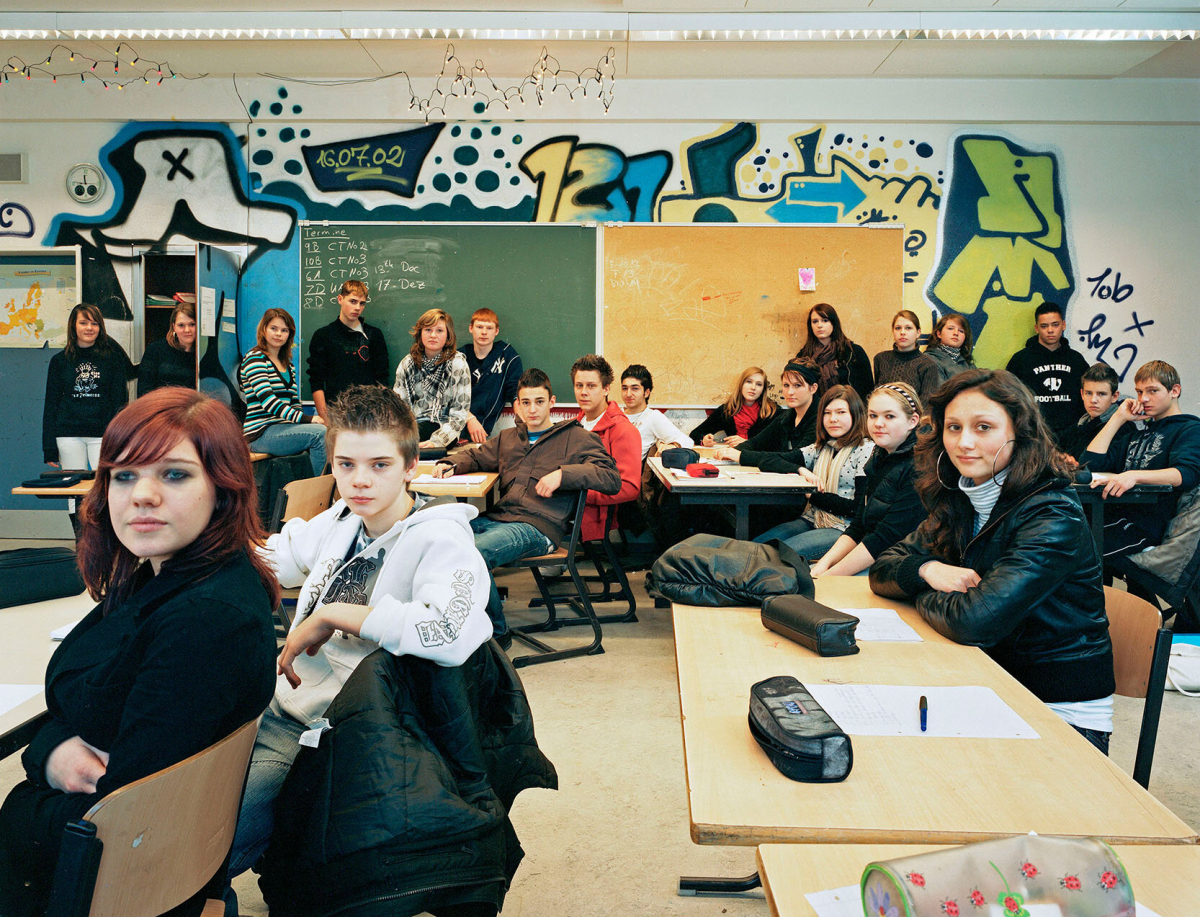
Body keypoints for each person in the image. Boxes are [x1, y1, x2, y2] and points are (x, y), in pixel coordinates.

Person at [1, 388, 279, 916]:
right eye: (124, 475)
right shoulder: (162, 574)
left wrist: (41, 758)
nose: (142, 495)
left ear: (223, 489)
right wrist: (54, 750)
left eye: (174, 474)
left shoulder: (205, 620)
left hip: (127, 883)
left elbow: (127, 814)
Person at [227, 385, 492, 893]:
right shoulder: (344, 520)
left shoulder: (441, 537)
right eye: (345, 465)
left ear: (411, 465)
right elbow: (276, 556)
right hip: (280, 702)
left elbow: (450, 630)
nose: (360, 481)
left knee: (212, 835)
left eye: (379, 465)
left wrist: (334, 614)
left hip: (345, 730)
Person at [870, 368, 1116, 754]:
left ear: (1020, 431)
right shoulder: (962, 495)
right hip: (987, 681)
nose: (964, 442)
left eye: (983, 427)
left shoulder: (1052, 515)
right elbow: (883, 568)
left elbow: (973, 621)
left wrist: (921, 594)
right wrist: (928, 570)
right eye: (953, 427)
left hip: (1056, 709)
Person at [435, 368, 621, 642]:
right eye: (525, 403)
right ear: (517, 406)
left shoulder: (577, 438)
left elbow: (611, 477)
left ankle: (497, 635)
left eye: (539, 401)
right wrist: (450, 463)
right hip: (500, 518)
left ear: (552, 402)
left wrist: (563, 474)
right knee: (436, 540)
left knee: (470, 554)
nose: (532, 410)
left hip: (538, 528)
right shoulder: (509, 438)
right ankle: (455, 624)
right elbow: (476, 456)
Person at [1081, 360, 1200, 558]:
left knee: (1071, 547)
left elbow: (1185, 473)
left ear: (1175, 390)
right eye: (1139, 392)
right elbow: (1091, 463)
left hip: (1146, 530)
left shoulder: (1189, 429)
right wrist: (1118, 417)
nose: (1144, 398)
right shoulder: (1137, 435)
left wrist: (1133, 476)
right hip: (1115, 517)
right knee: (1061, 531)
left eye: (1152, 391)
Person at [810, 383, 925, 577]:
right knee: (810, 571)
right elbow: (859, 526)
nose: (878, 423)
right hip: (875, 553)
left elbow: (885, 538)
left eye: (889, 416)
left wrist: (829, 578)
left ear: (912, 421)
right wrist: (823, 566)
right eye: (873, 415)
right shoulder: (879, 454)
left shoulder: (919, 467)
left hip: (901, 564)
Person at [751, 385, 875, 559]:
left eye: (841, 412)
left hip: (844, 529)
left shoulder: (866, 450)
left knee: (776, 556)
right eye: (827, 413)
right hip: (812, 519)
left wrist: (812, 495)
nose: (833, 419)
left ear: (855, 414)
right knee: (757, 545)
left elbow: (857, 508)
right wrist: (801, 470)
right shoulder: (821, 448)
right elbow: (768, 461)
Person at [42, 302, 134, 470]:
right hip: (68, 435)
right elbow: (51, 405)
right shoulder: (59, 361)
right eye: (83, 323)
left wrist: (120, 439)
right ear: (73, 326)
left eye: (94, 323)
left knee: (106, 488)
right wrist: (49, 448)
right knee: (73, 490)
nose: (89, 328)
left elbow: (120, 401)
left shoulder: (113, 359)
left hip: (103, 435)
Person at [239, 308, 328, 476]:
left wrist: (307, 423)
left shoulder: (288, 365)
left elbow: (294, 403)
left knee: (324, 431)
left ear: (289, 334)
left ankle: (308, 491)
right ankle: (316, 495)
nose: (278, 334)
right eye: (274, 328)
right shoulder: (255, 358)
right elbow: (269, 403)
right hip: (260, 433)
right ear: (263, 329)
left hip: (282, 429)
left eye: (284, 330)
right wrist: (308, 419)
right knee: (318, 435)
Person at [572, 353, 641, 543]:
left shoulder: (623, 430)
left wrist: (582, 495)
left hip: (596, 515)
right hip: (570, 506)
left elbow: (629, 487)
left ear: (606, 389)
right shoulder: (574, 425)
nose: (583, 392)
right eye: (579, 385)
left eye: (591, 386)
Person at [713, 360, 821, 473]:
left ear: (813, 388)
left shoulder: (821, 418)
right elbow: (756, 442)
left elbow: (794, 458)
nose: (790, 392)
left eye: (797, 386)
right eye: (786, 385)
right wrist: (728, 452)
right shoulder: (788, 416)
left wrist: (741, 456)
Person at [1005, 302, 1090, 444]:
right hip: (1033, 437)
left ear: (1063, 325)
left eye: (1055, 325)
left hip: (1072, 436)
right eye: (1044, 326)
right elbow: (1007, 396)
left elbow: (1090, 391)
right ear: (1037, 328)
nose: (1050, 330)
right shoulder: (1020, 360)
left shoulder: (1076, 360)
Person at [306, 280, 390, 423]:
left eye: (362, 303)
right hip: (335, 413)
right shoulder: (323, 336)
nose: (357, 307)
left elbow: (382, 379)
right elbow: (317, 380)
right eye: (352, 301)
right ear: (340, 299)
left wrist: (379, 416)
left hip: (368, 414)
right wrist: (326, 420)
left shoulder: (374, 335)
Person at [393, 308, 472, 449]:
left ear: (448, 335)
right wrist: (406, 439)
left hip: (445, 432)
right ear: (420, 333)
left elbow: (459, 415)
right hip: (411, 432)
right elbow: (399, 410)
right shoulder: (407, 364)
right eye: (428, 330)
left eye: (439, 331)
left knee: (428, 427)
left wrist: (436, 441)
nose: (433, 335)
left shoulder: (457, 363)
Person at [461, 307, 523, 443]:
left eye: (489, 328)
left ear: (496, 331)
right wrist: (469, 418)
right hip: (455, 428)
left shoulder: (507, 356)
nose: (484, 332)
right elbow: (450, 396)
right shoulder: (459, 358)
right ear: (471, 328)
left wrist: (523, 424)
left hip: (482, 433)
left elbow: (515, 391)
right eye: (479, 327)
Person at [794, 302, 873, 402]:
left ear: (833, 323)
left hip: (849, 412)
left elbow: (868, 389)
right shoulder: (803, 356)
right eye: (815, 321)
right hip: (815, 414)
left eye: (825, 320)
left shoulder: (854, 352)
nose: (819, 325)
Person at [619, 363, 694, 460]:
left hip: (623, 472)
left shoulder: (652, 417)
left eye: (635, 388)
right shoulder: (615, 413)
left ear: (646, 392)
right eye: (625, 388)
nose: (628, 394)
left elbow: (687, 441)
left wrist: (673, 445)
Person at [690, 366, 777, 447]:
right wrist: (704, 440)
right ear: (741, 385)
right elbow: (694, 434)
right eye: (749, 382)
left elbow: (777, 445)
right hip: (733, 459)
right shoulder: (727, 410)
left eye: (759, 384)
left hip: (760, 461)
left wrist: (747, 443)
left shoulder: (772, 412)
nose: (753, 387)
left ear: (763, 389)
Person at [872, 309, 940, 404]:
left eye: (908, 328)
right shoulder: (881, 359)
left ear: (918, 332)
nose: (902, 332)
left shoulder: (928, 365)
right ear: (893, 331)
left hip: (913, 417)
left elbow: (926, 404)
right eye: (898, 328)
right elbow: (875, 395)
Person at [1059, 362, 1122, 462]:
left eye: (1101, 394)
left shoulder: (1123, 429)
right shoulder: (1080, 425)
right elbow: (1050, 446)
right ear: (1082, 394)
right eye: (1088, 393)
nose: (1093, 400)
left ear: (1114, 396)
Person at [137, 301, 196, 396]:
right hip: (162, 408)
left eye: (192, 324)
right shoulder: (155, 350)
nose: (187, 330)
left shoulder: (202, 354)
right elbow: (144, 392)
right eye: (181, 325)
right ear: (174, 327)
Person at [924, 313, 977, 386]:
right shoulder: (929, 360)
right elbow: (940, 393)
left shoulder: (968, 364)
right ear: (939, 334)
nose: (956, 333)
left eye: (961, 331)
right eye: (950, 328)